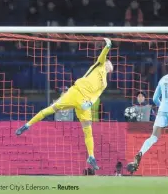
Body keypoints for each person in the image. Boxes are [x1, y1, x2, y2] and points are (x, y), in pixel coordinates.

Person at [15, 38, 113, 171]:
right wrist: (108, 46)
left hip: (84, 103)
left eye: (110, 64)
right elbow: (103, 55)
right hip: (75, 92)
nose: (109, 64)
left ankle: (91, 156)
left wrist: (89, 103)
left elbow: (97, 95)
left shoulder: (105, 83)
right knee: (51, 109)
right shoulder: (99, 64)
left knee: (88, 130)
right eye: (108, 62)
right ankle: (27, 125)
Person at [127, 59, 168, 176]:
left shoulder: (163, 79)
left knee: (154, 137)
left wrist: (163, 105)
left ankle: (140, 153)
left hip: (163, 109)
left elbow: (155, 99)